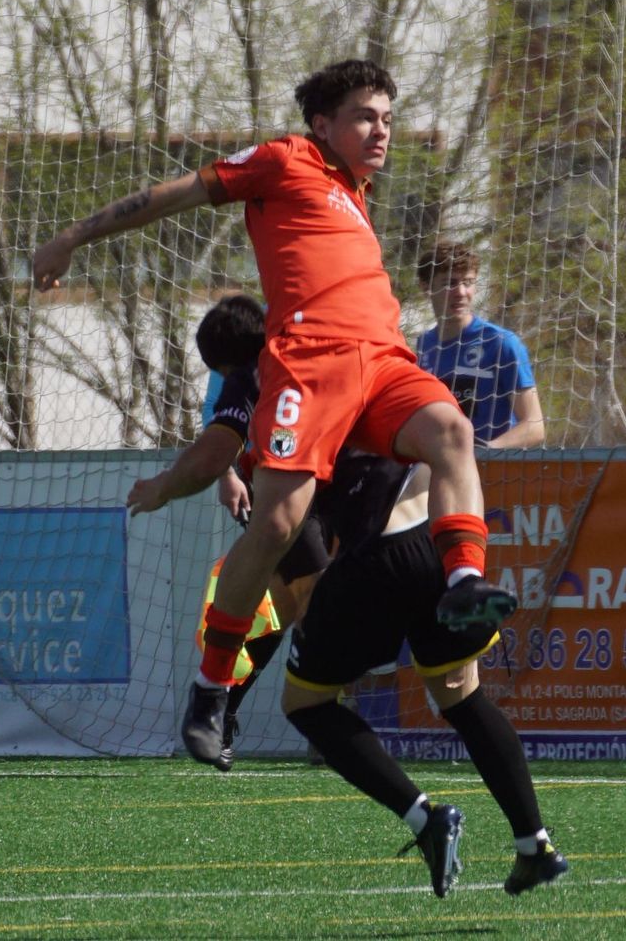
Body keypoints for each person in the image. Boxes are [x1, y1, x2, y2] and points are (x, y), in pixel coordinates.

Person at [32, 60, 515, 764]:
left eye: (387, 118)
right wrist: (73, 236)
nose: (381, 130)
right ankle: (210, 688)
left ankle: (464, 583)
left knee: (452, 431)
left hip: (383, 362)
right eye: (364, 116)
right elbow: (175, 194)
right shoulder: (285, 158)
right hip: (310, 365)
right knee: (278, 525)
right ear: (322, 124)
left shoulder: (356, 193)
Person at [283, 449, 568, 899]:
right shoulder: (406, 402)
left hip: (376, 557)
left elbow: (289, 526)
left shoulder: (277, 420)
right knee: (463, 697)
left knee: (305, 703)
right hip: (439, 537)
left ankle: (426, 819)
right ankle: (535, 845)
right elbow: (451, 444)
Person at [125, 295, 329, 772]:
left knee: (286, 606)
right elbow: (219, 423)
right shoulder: (241, 365)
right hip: (272, 484)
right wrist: (229, 475)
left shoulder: (301, 339)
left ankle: (222, 704)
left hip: (322, 480)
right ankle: (314, 718)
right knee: (313, 597)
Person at [415, 241, 544, 448]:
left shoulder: (501, 343)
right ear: (426, 287)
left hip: (490, 465)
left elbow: (534, 426)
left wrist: (486, 451)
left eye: (468, 282)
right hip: (440, 463)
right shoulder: (424, 346)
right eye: (450, 283)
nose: (461, 292)